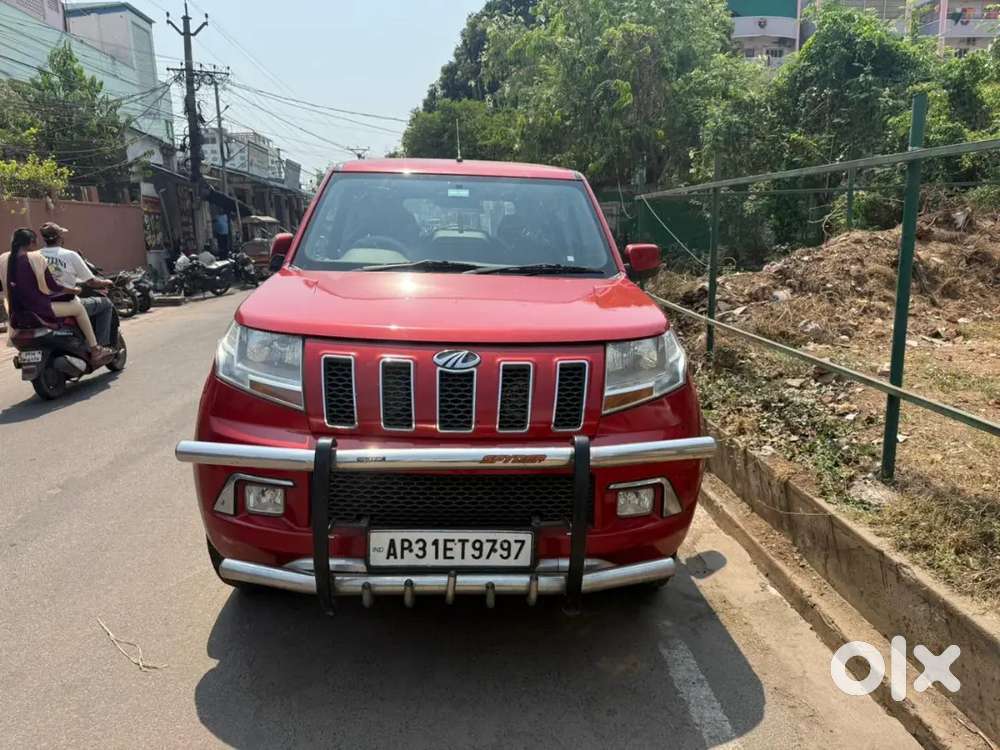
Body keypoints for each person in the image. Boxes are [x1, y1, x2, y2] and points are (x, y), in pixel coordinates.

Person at [0, 228, 113, 364]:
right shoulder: (37, 258)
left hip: (16, 314)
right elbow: (53, 286)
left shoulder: (3, 259)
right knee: (79, 309)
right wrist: (73, 291)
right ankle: (95, 350)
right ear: (31, 242)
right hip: (40, 309)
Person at [38, 222, 115, 347]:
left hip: (42, 303)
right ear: (59, 237)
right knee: (106, 304)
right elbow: (91, 281)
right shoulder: (70, 255)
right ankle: (100, 346)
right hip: (66, 302)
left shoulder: (35, 256)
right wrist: (107, 282)